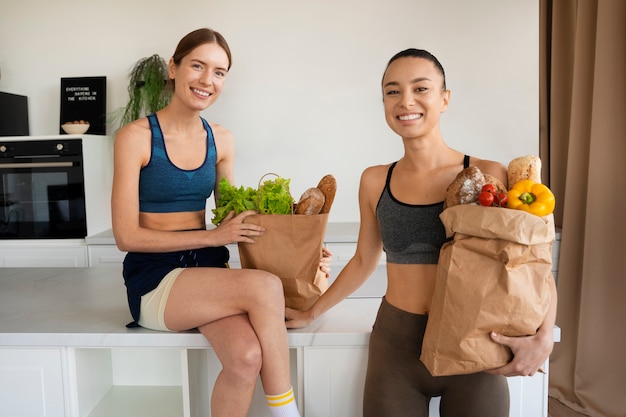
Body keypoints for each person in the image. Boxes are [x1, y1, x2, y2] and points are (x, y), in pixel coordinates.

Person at [285, 48, 558, 417]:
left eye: (421, 88)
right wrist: (310, 312)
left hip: (474, 345)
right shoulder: (374, 180)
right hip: (396, 346)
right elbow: (365, 260)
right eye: (393, 91)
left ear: (445, 99)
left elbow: (533, 261)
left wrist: (544, 339)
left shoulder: (488, 174)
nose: (406, 101)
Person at [112, 28, 330, 417]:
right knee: (263, 286)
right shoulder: (137, 137)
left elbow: (235, 218)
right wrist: (214, 235)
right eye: (198, 66)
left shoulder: (222, 140)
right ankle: (287, 411)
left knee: (246, 357)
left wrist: (302, 250)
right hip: (155, 279)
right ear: (174, 67)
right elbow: (126, 236)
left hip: (209, 274)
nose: (207, 80)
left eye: (219, 72)